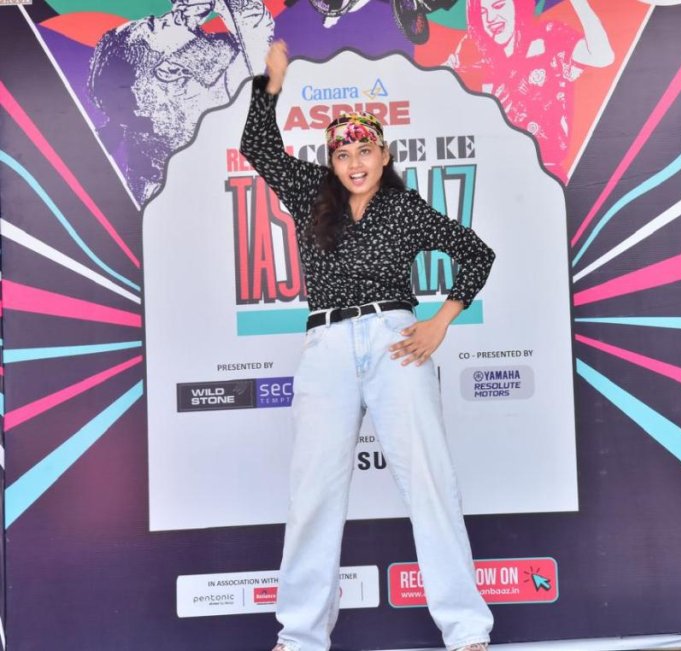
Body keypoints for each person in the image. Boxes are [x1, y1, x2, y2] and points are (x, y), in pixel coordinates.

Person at [239, 40, 495, 651]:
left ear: (384, 154)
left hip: (393, 342)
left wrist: (440, 321)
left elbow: (476, 254)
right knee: (313, 493)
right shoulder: (310, 193)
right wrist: (271, 84)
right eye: (343, 153)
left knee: (429, 482)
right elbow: (258, 147)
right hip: (326, 345)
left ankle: (467, 630)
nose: (354, 163)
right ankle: (300, 636)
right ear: (331, 161)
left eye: (364, 151)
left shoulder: (404, 209)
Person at [89, 0, 273, 203]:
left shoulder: (179, 108)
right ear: (168, 71)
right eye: (158, 25)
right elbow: (256, 33)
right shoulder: (205, 104)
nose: (174, 16)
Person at [447, 0, 613, 181]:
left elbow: (602, 55)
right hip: (499, 176)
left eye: (498, 6)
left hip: (545, 174)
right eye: (482, 13)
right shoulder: (480, 62)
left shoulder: (548, 37)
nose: (490, 19)